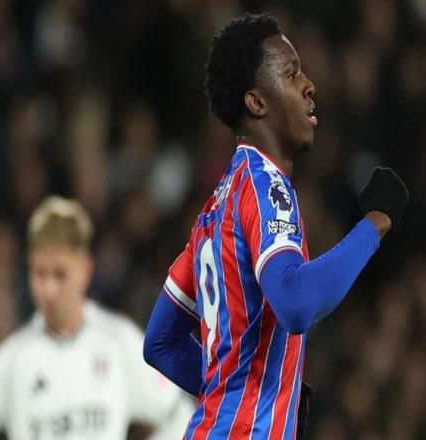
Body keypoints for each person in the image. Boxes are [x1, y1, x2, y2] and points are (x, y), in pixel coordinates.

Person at [143, 12, 409, 439]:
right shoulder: (265, 186)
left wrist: (248, 394)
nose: (309, 85)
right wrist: (375, 223)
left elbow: (161, 342)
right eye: (291, 73)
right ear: (256, 102)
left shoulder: (215, 208)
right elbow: (296, 301)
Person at [0, 196, 194, 440]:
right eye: (40, 274)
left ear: (85, 270)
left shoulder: (119, 343)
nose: (49, 290)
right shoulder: (13, 359)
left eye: (59, 274)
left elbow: (183, 416)